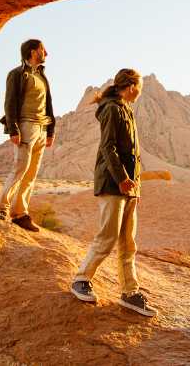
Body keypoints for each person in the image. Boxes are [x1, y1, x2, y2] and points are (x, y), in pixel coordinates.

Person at [70, 68, 157, 317]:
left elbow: (131, 153)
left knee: (128, 243)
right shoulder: (111, 109)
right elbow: (108, 148)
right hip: (113, 184)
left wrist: (135, 186)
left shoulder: (126, 108)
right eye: (139, 86)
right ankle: (81, 279)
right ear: (130, 86)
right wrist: (122, 179)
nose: (140, 91)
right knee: (107, 237)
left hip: (129, 187)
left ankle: (130, 292)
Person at [0, 38, 56, 232]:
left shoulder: (41, 76)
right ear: (32, 51)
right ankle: (1, 208)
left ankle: (20, 213)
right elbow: (9, 103)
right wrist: (13, 129)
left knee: (31, 174)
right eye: (43, 49)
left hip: (41, 128)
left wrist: (50, 131)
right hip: (26, 126)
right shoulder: (17, 74)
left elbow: (48, 105)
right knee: (21, 167)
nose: (46, 53)